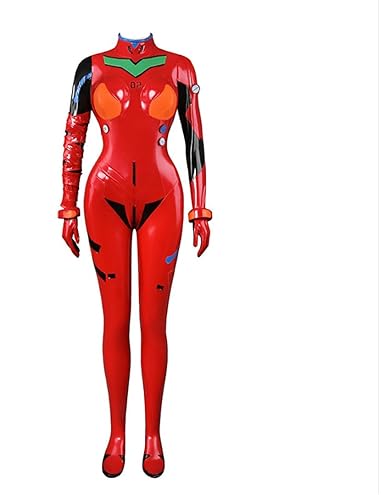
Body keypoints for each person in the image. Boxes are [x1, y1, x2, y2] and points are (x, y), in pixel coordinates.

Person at [58, 33, 212, 478]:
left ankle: (153, 436)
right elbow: (73, 138)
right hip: (103, 200)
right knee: (115, 321)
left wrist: (200, 208)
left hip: (163, 199)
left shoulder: (180, 67)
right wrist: (68, 206)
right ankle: (117, 435)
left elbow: (195, 141)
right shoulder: (90, 68)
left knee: (154, 323)